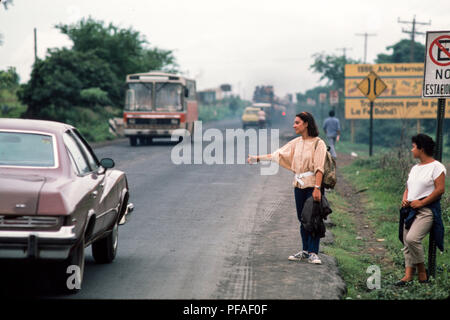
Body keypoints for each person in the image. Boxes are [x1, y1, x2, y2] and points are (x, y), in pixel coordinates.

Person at [247, 112, 327, 264]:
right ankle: (304, 251)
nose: (294, 125)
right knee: (302, 219)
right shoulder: (296, 143)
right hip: (298, 185)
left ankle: (313, 252)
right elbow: (278, 154)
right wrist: (257, 158)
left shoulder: (319, 143)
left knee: (314, 218)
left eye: (297, 123)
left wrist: (317, 188)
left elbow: (319, 168)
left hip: (312, 186)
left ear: (306, 124)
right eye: (294, 122)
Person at [397, 134, 446, 285]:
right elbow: (408, 188)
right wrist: (405, 199)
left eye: (413, 147)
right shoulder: (415, 168)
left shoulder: (437, 167)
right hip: (410, 209)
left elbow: (440, 190)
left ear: (421, 149)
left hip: (426, 210)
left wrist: (421, 203)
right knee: (407, 242)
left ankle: (422, 272)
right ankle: (408, 275)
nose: (412, 150)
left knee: (412, 239)